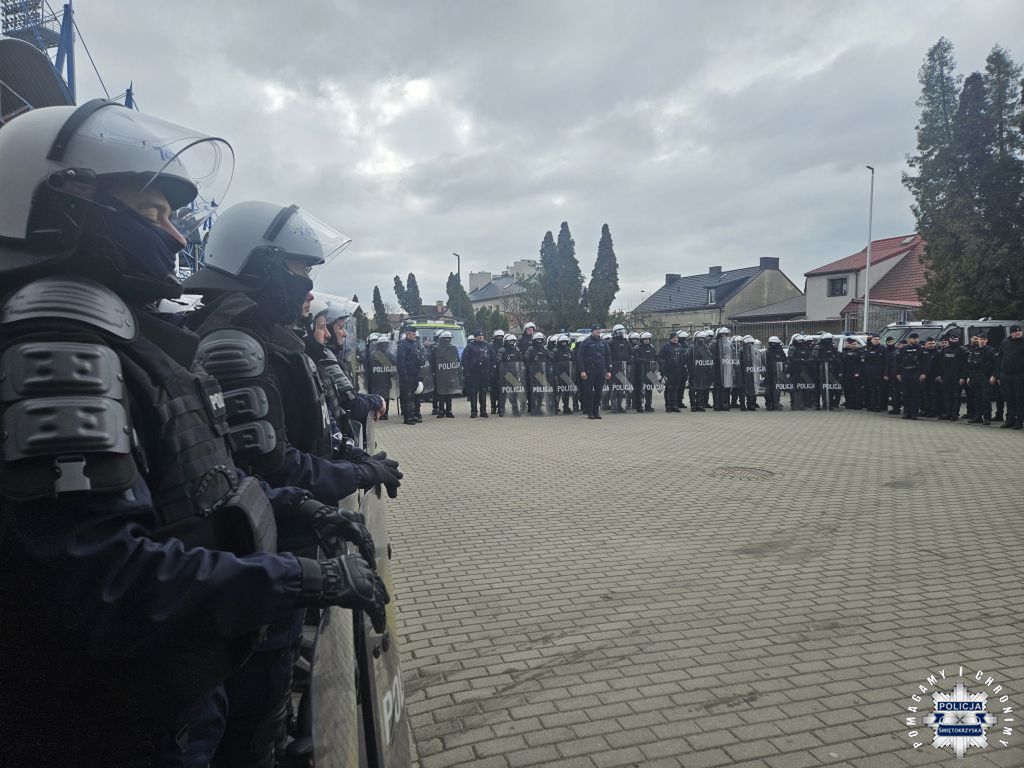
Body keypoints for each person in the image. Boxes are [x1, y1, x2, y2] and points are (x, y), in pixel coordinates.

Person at [0, 102, 390, 766]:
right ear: (68, 202)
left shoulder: (128, 343)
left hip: (171, 697)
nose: (178, 239)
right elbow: (101, 581)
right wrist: (295, 577)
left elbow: (211, 488)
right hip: (110, 726)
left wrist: (307, 510)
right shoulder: (56, 347)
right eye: (154, 215)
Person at [577, 325, 612, 419]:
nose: (598, 331)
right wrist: (582, 371)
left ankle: (596, 412)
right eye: (596, 330)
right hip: (590, 370)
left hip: (600, 371)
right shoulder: (586, 342)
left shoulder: (603, 343)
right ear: (592, 331)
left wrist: (609, 371)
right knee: (589, 392)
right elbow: (580, 357)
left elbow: (608, 357)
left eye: (599, 329)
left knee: (598, 392)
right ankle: (589, 412)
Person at [934, 332, 967, 421]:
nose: (953, 341)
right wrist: (940, 375)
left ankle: (954, 414)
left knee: (956, 396)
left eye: (955, 340)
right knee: (947, 396)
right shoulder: (945, 350)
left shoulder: (961, 351)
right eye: (952, 339)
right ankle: (947, 413)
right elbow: (940, 364)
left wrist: (962, 377)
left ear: (958, 340)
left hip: (956, 377)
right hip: (946, 376)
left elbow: (964, 366)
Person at [996, 324, 1023, 429]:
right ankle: (1009, 420)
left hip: (1019, 375)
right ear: (1011, 333)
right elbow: (999, 358)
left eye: (1019, 331)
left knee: (1019, 399)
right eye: (1015, 331)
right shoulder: (1005, 342)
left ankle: (1019, 421)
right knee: (1009, 399)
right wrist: (998, 375)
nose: (1018, 332)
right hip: (1006, 376)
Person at [397, 324, 425, 425]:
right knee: (407, 397)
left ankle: (413, 415)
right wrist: (404, 375)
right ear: (408, 334)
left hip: (414, 374)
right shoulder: (403, 345)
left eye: (415, 334)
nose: (414, 336)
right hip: (407, 375)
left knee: (413, 396)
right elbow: (401, 361)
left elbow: (417, 359)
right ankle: (407, 417)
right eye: (413, 334)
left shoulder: (414, 344)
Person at [462, 328, 494, 418]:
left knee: (483, 392)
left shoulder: (487, 346)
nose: (481, 337)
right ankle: (474, 411)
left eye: (481, 335)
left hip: (485, 373)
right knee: (473, 393)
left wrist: (491, 370)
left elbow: (493, 358)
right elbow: (465, 360)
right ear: (475, 337)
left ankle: (483, 410)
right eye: (479, 336)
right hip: (474, 373)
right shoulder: (470, 346)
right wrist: (467, 371)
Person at [965, 333, 996, 425]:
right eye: (980, 339)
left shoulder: (990, 351)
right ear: (978, 340)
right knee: (977, 398)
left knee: (985, 399)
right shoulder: (974, 351)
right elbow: (971, 365)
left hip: (985, 378)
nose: (982, 341)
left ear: (987, 340)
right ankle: (977, 417)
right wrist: (969, 377)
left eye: (984, 339)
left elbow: (995, 365)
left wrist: (993, 376)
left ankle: (987, 417)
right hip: (975, 377)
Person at [896, 331, 927, 419]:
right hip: (905, 373)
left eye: (917, 338)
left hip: (916, 373)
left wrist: (924, 374)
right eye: (914, 339)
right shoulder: (903, 349)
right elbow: (899, 362)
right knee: (906, 394)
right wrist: (898, 373)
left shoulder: (921, 349)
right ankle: (906, 412)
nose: (916, 340)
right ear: (909, 339)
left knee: (915, 394)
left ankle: (914, 413)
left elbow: (925, 363)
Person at [431, 330, 460, 417]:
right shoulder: (436, 349)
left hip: (449, 373)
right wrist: (433, 372)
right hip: (439, 373)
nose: (447, 340)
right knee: (441, 393)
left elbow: (457, 360)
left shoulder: (453, 348)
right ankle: (441, 410)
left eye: (448, 338)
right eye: (445, 338)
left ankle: (449, 410)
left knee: (449, 393)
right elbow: (432, 361)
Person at [497, 332, 525, 416]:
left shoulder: (517, 350)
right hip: (505, 375)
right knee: (503, 392)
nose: (511, 342)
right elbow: (499, 362)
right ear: (506, 341)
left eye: (513, 341)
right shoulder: (502, 350)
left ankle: (515, 409)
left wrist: (520, 371)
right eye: (510, 341)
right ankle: (501, 409)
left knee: (514, 392)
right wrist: (504, 372)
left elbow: (520, 361)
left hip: (515, 374)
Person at [608, 324, 633, 413]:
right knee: (614, 388)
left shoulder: (626, 342)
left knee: (621, 389)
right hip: (614, 369)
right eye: (619, 333)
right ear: (615, 333)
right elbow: (607, 355)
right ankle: (614, 407)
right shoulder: (611, 342)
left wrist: (630, 359)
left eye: (622, 332)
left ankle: (620, 406)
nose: (621, 334)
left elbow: (631, 353)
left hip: (624, 369)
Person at [659, 331, 685, 412]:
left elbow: (682, 358)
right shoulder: (665, 347)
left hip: (678, 372)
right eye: (674, 338)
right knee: (669, 389)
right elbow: (660, 359)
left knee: (676, 389)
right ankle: (668, 406)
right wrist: (663, 372)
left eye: (677, 337)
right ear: (671, 338)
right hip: (669, 371)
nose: (676, 339)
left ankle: (675, 405)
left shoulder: (680, 346)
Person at [861, 334, 888, 412]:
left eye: (878, 339)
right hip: (870, 373)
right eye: (875, 339)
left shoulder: (883, 348)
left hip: (880, 373)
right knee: (871, 390)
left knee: (879, 390)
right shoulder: (869, 349)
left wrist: (885, 373)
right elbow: (866, 361)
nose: (876, 340)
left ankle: (879, 406)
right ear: (872, 340)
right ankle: (871, 405)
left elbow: (886, 362)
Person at [634, 332, 659, 413]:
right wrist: (644, 361)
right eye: (645, 339)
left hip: (650, 371)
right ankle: (639, 406)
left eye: (648, 339)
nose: (647, 340)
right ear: (641, 340)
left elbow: (656, 356)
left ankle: (648, 405)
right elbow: (636, 359)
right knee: (640, 389)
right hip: (641, 371)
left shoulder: (651, 347)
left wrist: (659, 360)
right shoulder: (638, 348)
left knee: (649, 389)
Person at [553, 333, 578, 414]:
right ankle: (555, 407)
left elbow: (573, 361)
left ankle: (566, 407)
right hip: (559, 374)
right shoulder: (555, 351)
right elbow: (552, 362)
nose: (564, 343)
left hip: (568, 374)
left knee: (567, 391)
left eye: (565, 342)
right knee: (558, 392)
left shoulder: (569, 351)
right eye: (562, 342)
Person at [837, 336, 862, 410]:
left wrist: (858, 372)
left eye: (854, 344)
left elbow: (861, 364)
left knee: (856, 390)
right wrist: (841, 372)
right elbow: (842, 363)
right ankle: (849, 403)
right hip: (847, 373)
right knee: (848, 390)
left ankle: (857, 404)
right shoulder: (845, 352)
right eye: (850, 344)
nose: (852, 345)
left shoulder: (859, 352)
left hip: (855, 374)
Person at [764, 336, 786, 411]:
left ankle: (774, 403)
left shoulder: (770, 351)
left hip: (776, 373)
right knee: (772, 389)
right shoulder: (769, 351)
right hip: (771, 373)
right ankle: (771, 404)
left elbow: (784, 361)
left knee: (775, 389)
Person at [489, 329, 505, 413]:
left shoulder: (504, 345)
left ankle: (501, 406)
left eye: (501, 337)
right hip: (493, 370)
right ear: (494, 337)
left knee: (501, 389)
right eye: (498, 337)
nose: (499, 338)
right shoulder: (491, 345)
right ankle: (493, 406)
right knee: (493, 389)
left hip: (502, 370)